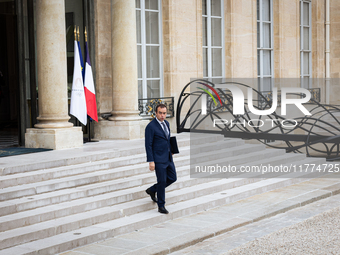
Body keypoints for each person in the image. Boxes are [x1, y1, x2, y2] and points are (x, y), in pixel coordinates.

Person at [145, 104, 177, 214]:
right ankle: (161, 206)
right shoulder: (151, 127)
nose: (162, 115)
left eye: (164, 113)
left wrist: (172, 149)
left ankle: (152, 190)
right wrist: (151, 161)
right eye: (160, 113)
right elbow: (148, 145)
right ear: (156, 113)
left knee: (173, 178)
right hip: (158, 159)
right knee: (162, 181)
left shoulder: (166, 123)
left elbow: (167, 139)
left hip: (168, 157)